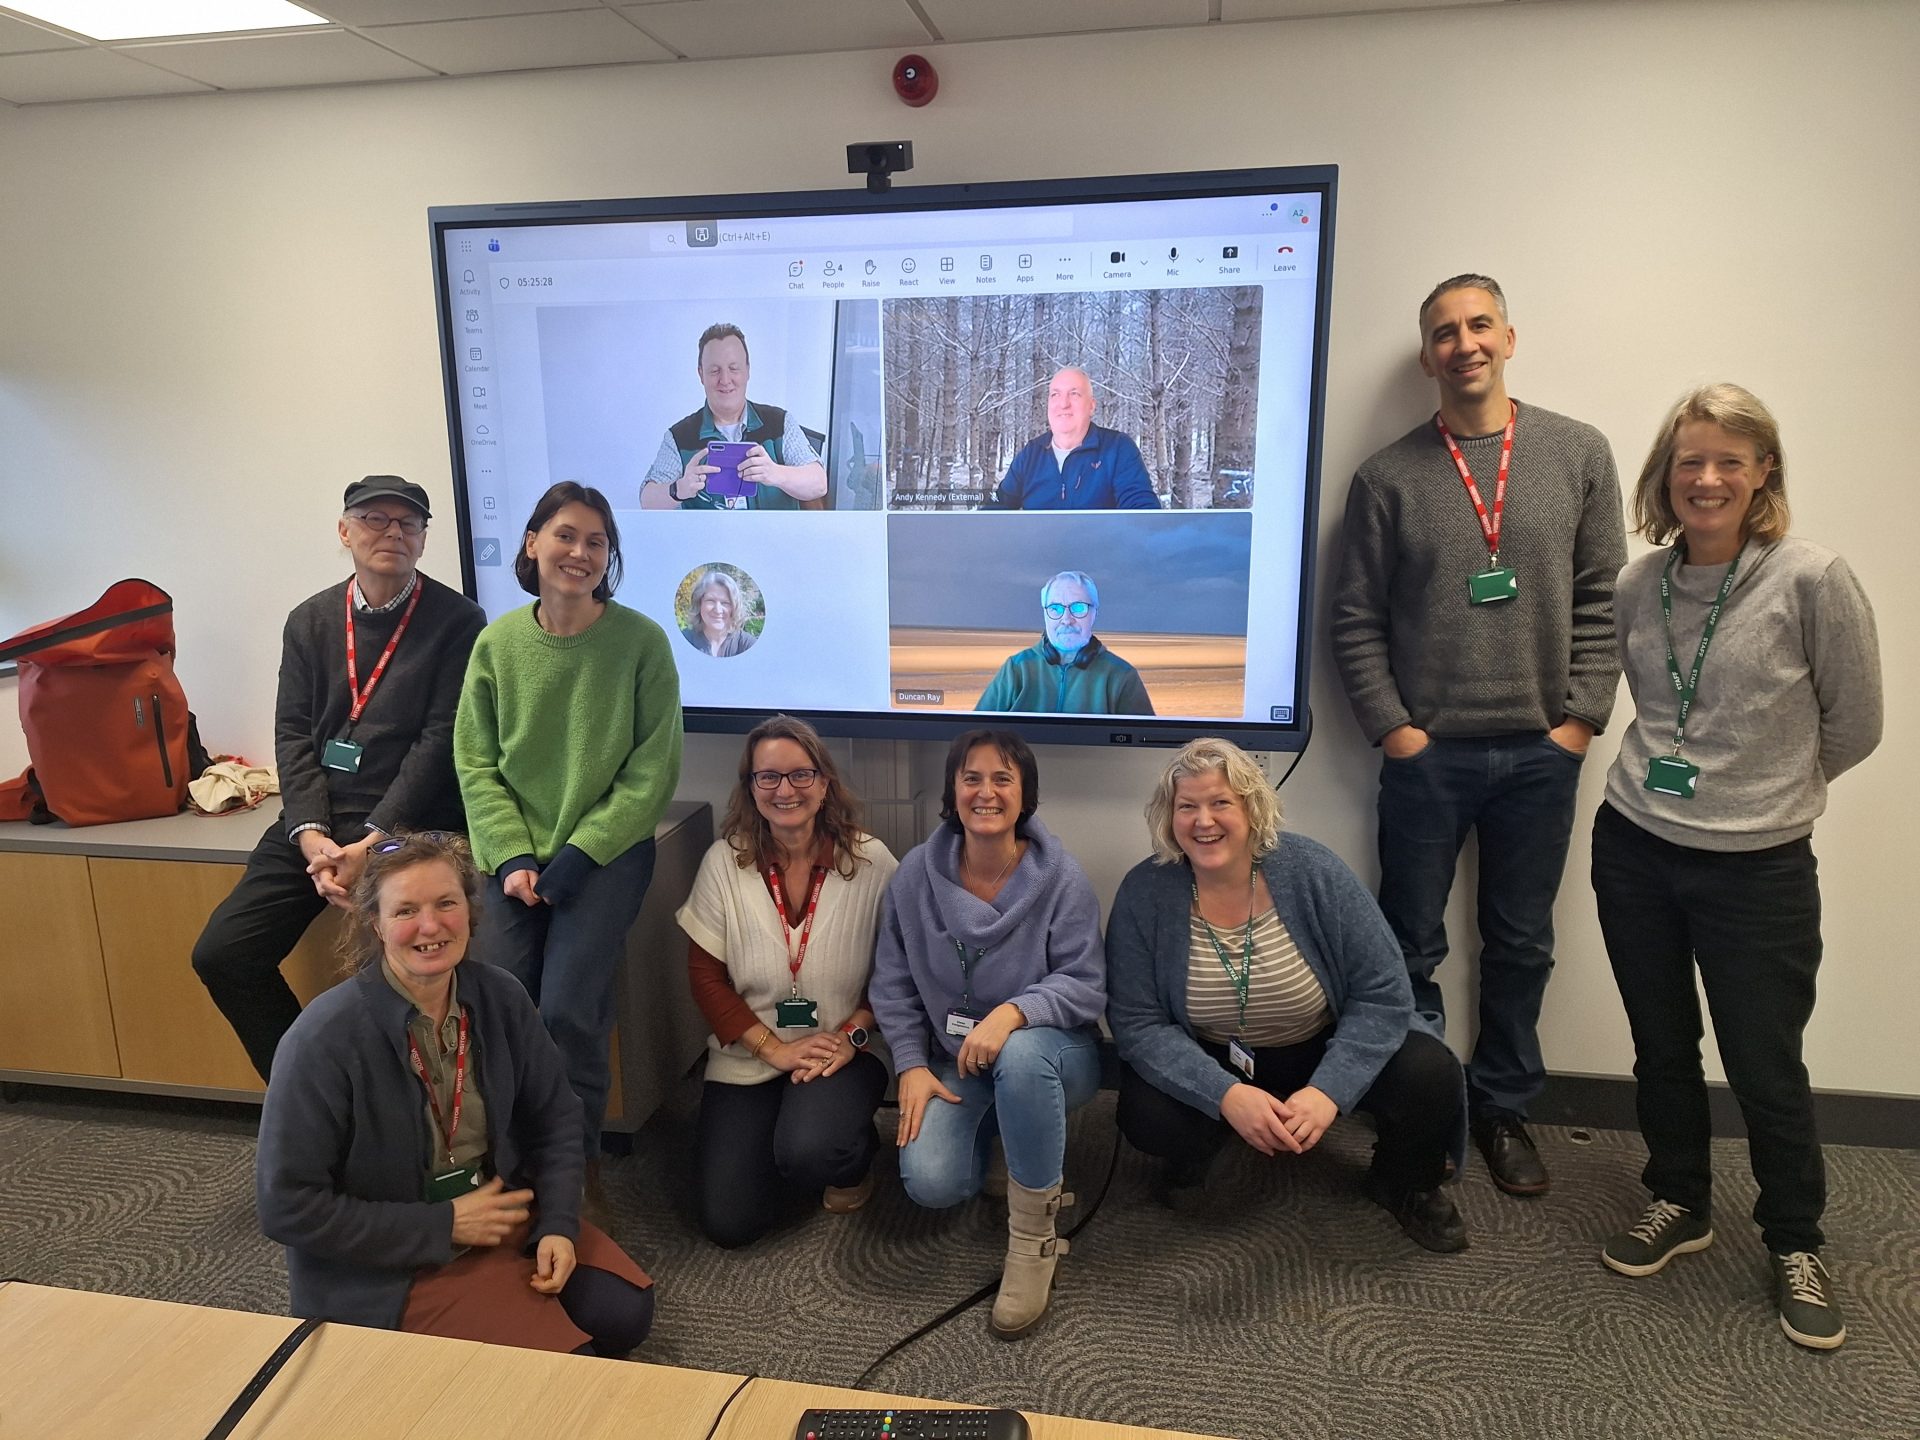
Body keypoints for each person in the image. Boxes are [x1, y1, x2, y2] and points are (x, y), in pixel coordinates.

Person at [1591, 384, 1881, 1351]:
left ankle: (1795, 1238)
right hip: (1635, 845)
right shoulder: (1640, 585)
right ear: (1664, 480)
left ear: (1763, 475)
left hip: (1757, 869)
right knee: (1662, 1046)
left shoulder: (1811, 578)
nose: (1706, 479)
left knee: (1766, 1064)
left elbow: (1857, 723)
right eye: (1689, 462)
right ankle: (1680, 1199)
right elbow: (1653, 705)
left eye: (1728, 460)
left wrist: (1765, 796)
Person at [1329, 274, 1625, 1198]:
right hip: (1429, 758)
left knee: (1520, 942)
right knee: (1407, 944)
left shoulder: (1578, 453)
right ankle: (1427, 1122)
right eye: (1444, 332)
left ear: (1508, 337)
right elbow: (1353, 620)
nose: (1464, 343)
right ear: (1426, 357)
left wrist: (1580, 721)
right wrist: (1397, 732)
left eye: (1479, 325)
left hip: (1542, 753)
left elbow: (1602, 601)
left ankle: (1501, 1109)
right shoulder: (1387, 477)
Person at [256, 831, 654, 1354]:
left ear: (470, 911)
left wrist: (557, 1223)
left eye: (447, 903)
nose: (431, 926)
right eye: (406, 911)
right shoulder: (322, 1038)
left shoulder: (500, 997)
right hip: (391, 1264)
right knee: (567, 1367)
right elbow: (286, 1206)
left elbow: (556, 1116)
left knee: (626, 1316)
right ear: (374, 923)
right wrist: (444, 1224)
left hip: (497, 1215)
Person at [1107, 739, 1468, 1252]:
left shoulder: (1313, 870)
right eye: (1186, 806)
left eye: (1220, 803)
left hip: (1318, 1045)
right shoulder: (1145, 891)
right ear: (1169, 818)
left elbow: (1384, 993)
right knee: (1146, 1115)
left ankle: (1403, 1180)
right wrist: (1224, 1094)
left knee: (1431, 1073)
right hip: (1216, 1056)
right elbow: (1137, 1024)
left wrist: (1328, 1091)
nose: (1203, 821)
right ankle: (1207, 1145)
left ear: (1252, 808)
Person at [192, 476, 485, 1082]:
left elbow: (439, 744)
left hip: (412, 825)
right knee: (224, 953)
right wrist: (309, 832)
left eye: (408, 524)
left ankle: (412, 1111)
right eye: (376, 519)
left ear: (424, 541)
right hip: (316, 819)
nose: (393, 534)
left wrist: (373, 842)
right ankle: (309, 1092)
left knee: (405, 967)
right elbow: (293, 733)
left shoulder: (458, 620)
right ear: (344, 531)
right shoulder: (310, 620)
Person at [454, 482, 683, 1161]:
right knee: (500, 1008)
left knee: (567, 1014)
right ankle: (510, 1166)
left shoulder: (641, 643)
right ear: (531, 543)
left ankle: (571, 1180)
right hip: (513, 858)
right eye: (565, 535)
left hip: (605, 856)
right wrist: (515, 857)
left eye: (596, 541)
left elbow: (652, 772)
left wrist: (580, 854)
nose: (579, 552)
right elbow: (476, 765)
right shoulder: (496, 646)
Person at [870, 730, 1105, 1339]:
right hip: (957, 1057)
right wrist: (909, 1065)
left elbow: (1085, 984)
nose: (986, 792)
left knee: (1023, 1058)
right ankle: (1013, 1138)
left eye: (1003, 778)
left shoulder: (1061, 878)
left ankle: (1034, 1242)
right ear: (953, 790)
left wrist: (1013, 1014)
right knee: (932, 1184)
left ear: (1024, 793)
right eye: (971, 777)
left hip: (1055, 1052)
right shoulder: (915, 875)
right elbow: (892, 983)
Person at [678, 716, 897, 1246]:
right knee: (729, 1223)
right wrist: (772, 1049)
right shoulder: (723, 863)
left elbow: (898, 975)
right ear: (751, 789)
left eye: (800, 775)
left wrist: (853, 1037)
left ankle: (847, 1154)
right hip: (749, 1056)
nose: (785, 790)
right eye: (768, 777)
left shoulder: (874, 863)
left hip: (840, 1051)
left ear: (824, 783)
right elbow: (705, 977)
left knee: (813, 1151)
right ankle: (785, 1139)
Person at [641, 323, 827, 511]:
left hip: (773, 539)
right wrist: (679, 489)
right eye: (714, 370)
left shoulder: (780, 423)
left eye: (734, 368)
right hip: (708, 540)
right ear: (701, 374)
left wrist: (775, 473)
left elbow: (819, 484)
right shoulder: (679, 436)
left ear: (747, 370)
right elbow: (647, 501)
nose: (725, 380)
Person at [975, 570, 1154, 716]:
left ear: (1094, 613)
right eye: (1055, 609)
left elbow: (1145, 749)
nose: (1066, 619)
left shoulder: (1121, 676)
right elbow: (974, 735)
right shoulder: (1016, 669)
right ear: (1045, 614)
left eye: (1078, 608)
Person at [993, 367, 1159, 510]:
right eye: (1055, 395)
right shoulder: (1031, 455)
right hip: (1042, 548)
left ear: (1092, 406)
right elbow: (993, 512)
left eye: (1074, 394)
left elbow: (1143, 517)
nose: (1063, 404)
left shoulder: (1118, 449)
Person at [680, 567, 757, 658]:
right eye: (710, 600)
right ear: (699, 603)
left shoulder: (748, 645)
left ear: (734, 608)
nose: (718, 609)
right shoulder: (683, 640)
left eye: (725, 603)